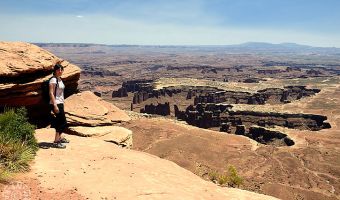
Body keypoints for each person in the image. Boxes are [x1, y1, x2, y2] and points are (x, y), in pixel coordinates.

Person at [49, 63, 69, 148]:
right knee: (63, 122)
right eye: (58, 70)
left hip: (60, 103)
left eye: (61, 69)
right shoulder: (53, 80)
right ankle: (56, 141)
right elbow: (51, 93)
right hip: (56, 103)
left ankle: (59, 138)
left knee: (60, 121)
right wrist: (55, 105)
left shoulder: (59, 79)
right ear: (55, 71)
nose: (60, 71)